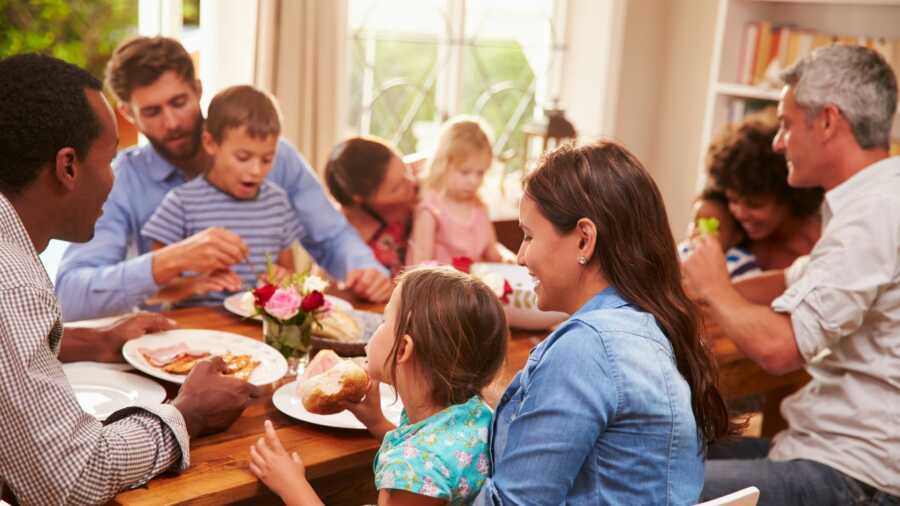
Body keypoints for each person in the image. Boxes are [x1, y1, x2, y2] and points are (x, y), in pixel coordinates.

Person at [0, 53, 260, 504]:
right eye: (108, 160)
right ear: (67, 167)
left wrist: (97, 342)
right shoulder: (14, 283)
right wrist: (187, 415)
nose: (112, 181)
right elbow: (72, 477)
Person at [683, 45, 900, 505]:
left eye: (785, 123)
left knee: (634, 484)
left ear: (826, 121)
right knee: (654, 450)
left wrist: (716, 288)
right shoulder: (879, 197)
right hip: (826, 453)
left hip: (854, 478)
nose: (778, 141)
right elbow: (789, 279)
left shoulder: (873, 213)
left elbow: (780, 350)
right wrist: (695, 291)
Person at [55, 36, 391, 321]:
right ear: (128, 114)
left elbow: (330, 236)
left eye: (179, 102)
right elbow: (69, 295)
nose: (171, 122)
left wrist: (365, 270)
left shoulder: (275, 156)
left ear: (198, 90)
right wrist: (168, 261)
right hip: (178, 340)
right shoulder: (125, 179)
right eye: (153, 112)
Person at [473, 141, 733, 504]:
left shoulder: (587, 348)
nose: (520, 256)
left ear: (584, 239)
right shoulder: (651, 326)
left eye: (529, 236)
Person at [249, 266, 508, 505]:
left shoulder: (410, 474)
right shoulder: (475, 413)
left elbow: (419, 466)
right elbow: (430, 453)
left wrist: (292, 486)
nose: (377, 329)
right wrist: (377, 423)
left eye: (384, 321)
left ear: (403, 349)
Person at [141, 85, 302, 306]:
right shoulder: (182, 203)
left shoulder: (278, 202)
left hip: (257, 331)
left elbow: (291, 275)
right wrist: (195, 284)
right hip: (199, 330)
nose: (256, 170)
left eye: (267, 159)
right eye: (243, 157)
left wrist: (284, 282)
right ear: (210, 143)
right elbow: (150, 292)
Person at [705, 108, 823, 270]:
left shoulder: (819, 241)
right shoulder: (732, 235)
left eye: (754, 205)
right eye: (733, 200)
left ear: (788, 198)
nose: (740, 213)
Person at [407, 117, 505, 265]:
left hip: (472, 284)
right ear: (443, 165)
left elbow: (492, 252)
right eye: (465, 172)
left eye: (480, 173)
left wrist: (506, 260)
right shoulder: (430, 209)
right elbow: (420, 264)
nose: (474, 181)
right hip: (436, 285)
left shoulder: (479, 207)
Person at [324, 136, 418, 277]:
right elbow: (324, 286)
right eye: (396, 188)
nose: (412, 182)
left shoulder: (427, 172)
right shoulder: (345, 229)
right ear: (361, 199)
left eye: (406, 170)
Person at [678, 187, 759, 279]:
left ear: (736, 237)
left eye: (712, 227)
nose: (700, 231)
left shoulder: (740, 263)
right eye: (697, 223)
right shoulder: (682, 251)